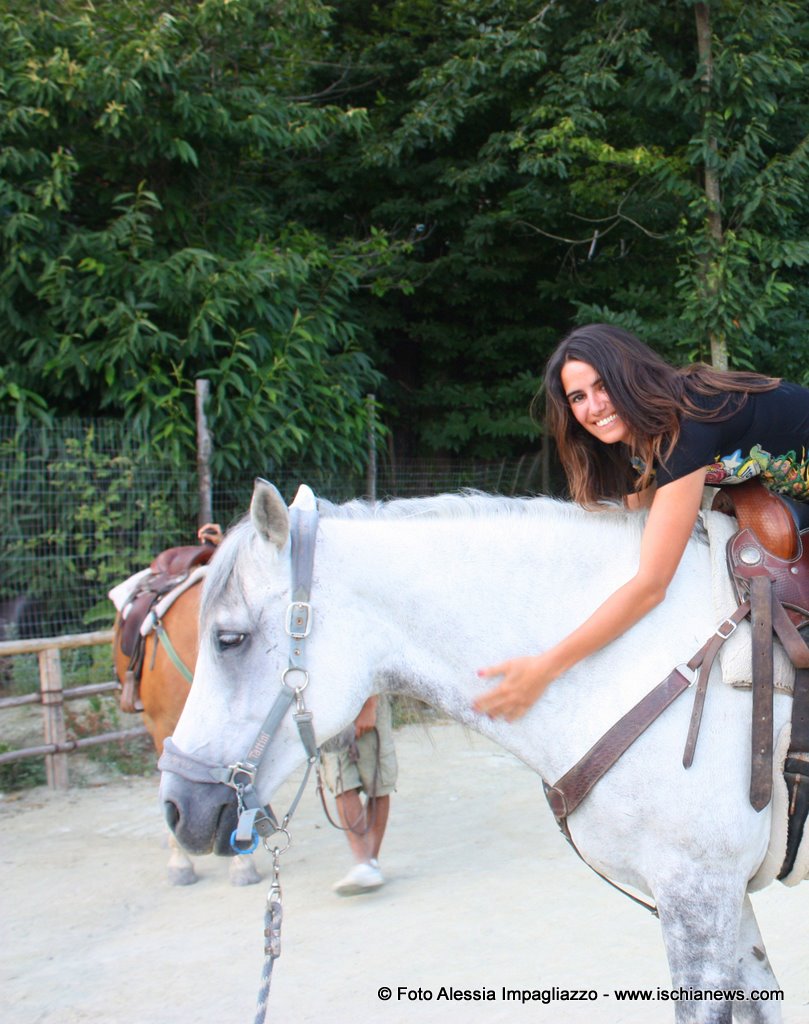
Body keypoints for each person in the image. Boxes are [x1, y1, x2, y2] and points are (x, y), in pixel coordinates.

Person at [473, 322, 809, 721]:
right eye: (578, 397)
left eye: (602, 386)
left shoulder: (688, 422)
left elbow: (651, 585)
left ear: (629, 374)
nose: (595, 406)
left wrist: (546, 668)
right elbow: (636, 521)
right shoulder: (635, 438)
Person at [321, 694, 398, 896]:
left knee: (377, 781)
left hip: (366, 698)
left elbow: (377, 671)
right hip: (329, 705)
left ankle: (371, 862)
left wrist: (370, 705)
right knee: (340, 781)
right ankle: (362, 863)